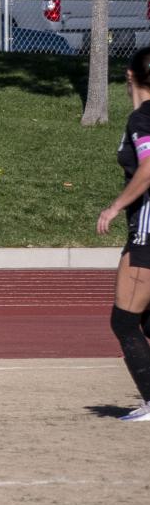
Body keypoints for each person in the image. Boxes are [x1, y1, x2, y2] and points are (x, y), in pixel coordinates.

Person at [96, 44, 150, 421]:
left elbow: (149, 168)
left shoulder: (143, 119)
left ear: (129, 76)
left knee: (125, 320)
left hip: (147, 234)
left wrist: (115, 207)